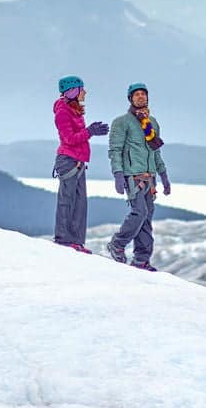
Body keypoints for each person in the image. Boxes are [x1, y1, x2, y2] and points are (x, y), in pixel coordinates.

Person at [106, 81, 170, 269]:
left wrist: (164, 176)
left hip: (150, 177)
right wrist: (118, 174)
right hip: (132, 176)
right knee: (139, 212)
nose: (141, 96)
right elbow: (115, 150)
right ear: (130, 99)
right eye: (136, 94)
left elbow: (155, 152)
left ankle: (141, 259)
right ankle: (117, 243)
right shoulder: (122, 122)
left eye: (143, 94)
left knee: (147, 217)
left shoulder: (152, 123)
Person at [51, 76, 109, 250]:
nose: (85, 92)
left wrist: (89, 131)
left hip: (77, 161)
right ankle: (63, 239)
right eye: (82, 89)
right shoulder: (63, 112)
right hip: (68, 161)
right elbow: (69, 139)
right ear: (73, 91)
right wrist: (89, 131)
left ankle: (75, 241)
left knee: (79, 203)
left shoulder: (73, 109)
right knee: (67, 200)